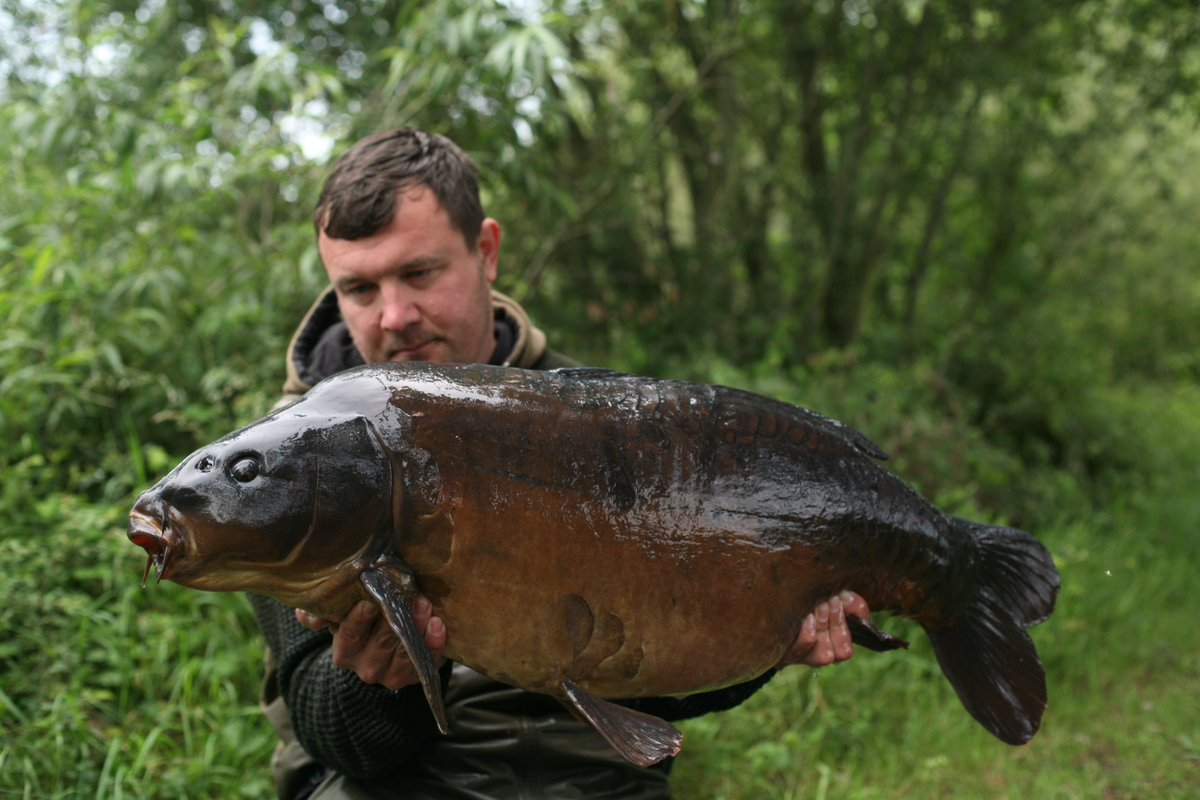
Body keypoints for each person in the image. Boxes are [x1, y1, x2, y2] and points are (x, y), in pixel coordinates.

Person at [249, 128, 872, 800]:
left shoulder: (596, 421)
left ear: (485, 251)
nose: (395, 315)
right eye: (360, 289)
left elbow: (660, 679)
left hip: (590, 774)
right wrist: (378, 679)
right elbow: (330, 729)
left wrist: (766, 637)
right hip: (390, 781)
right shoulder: (282, 468)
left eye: (419, 273)